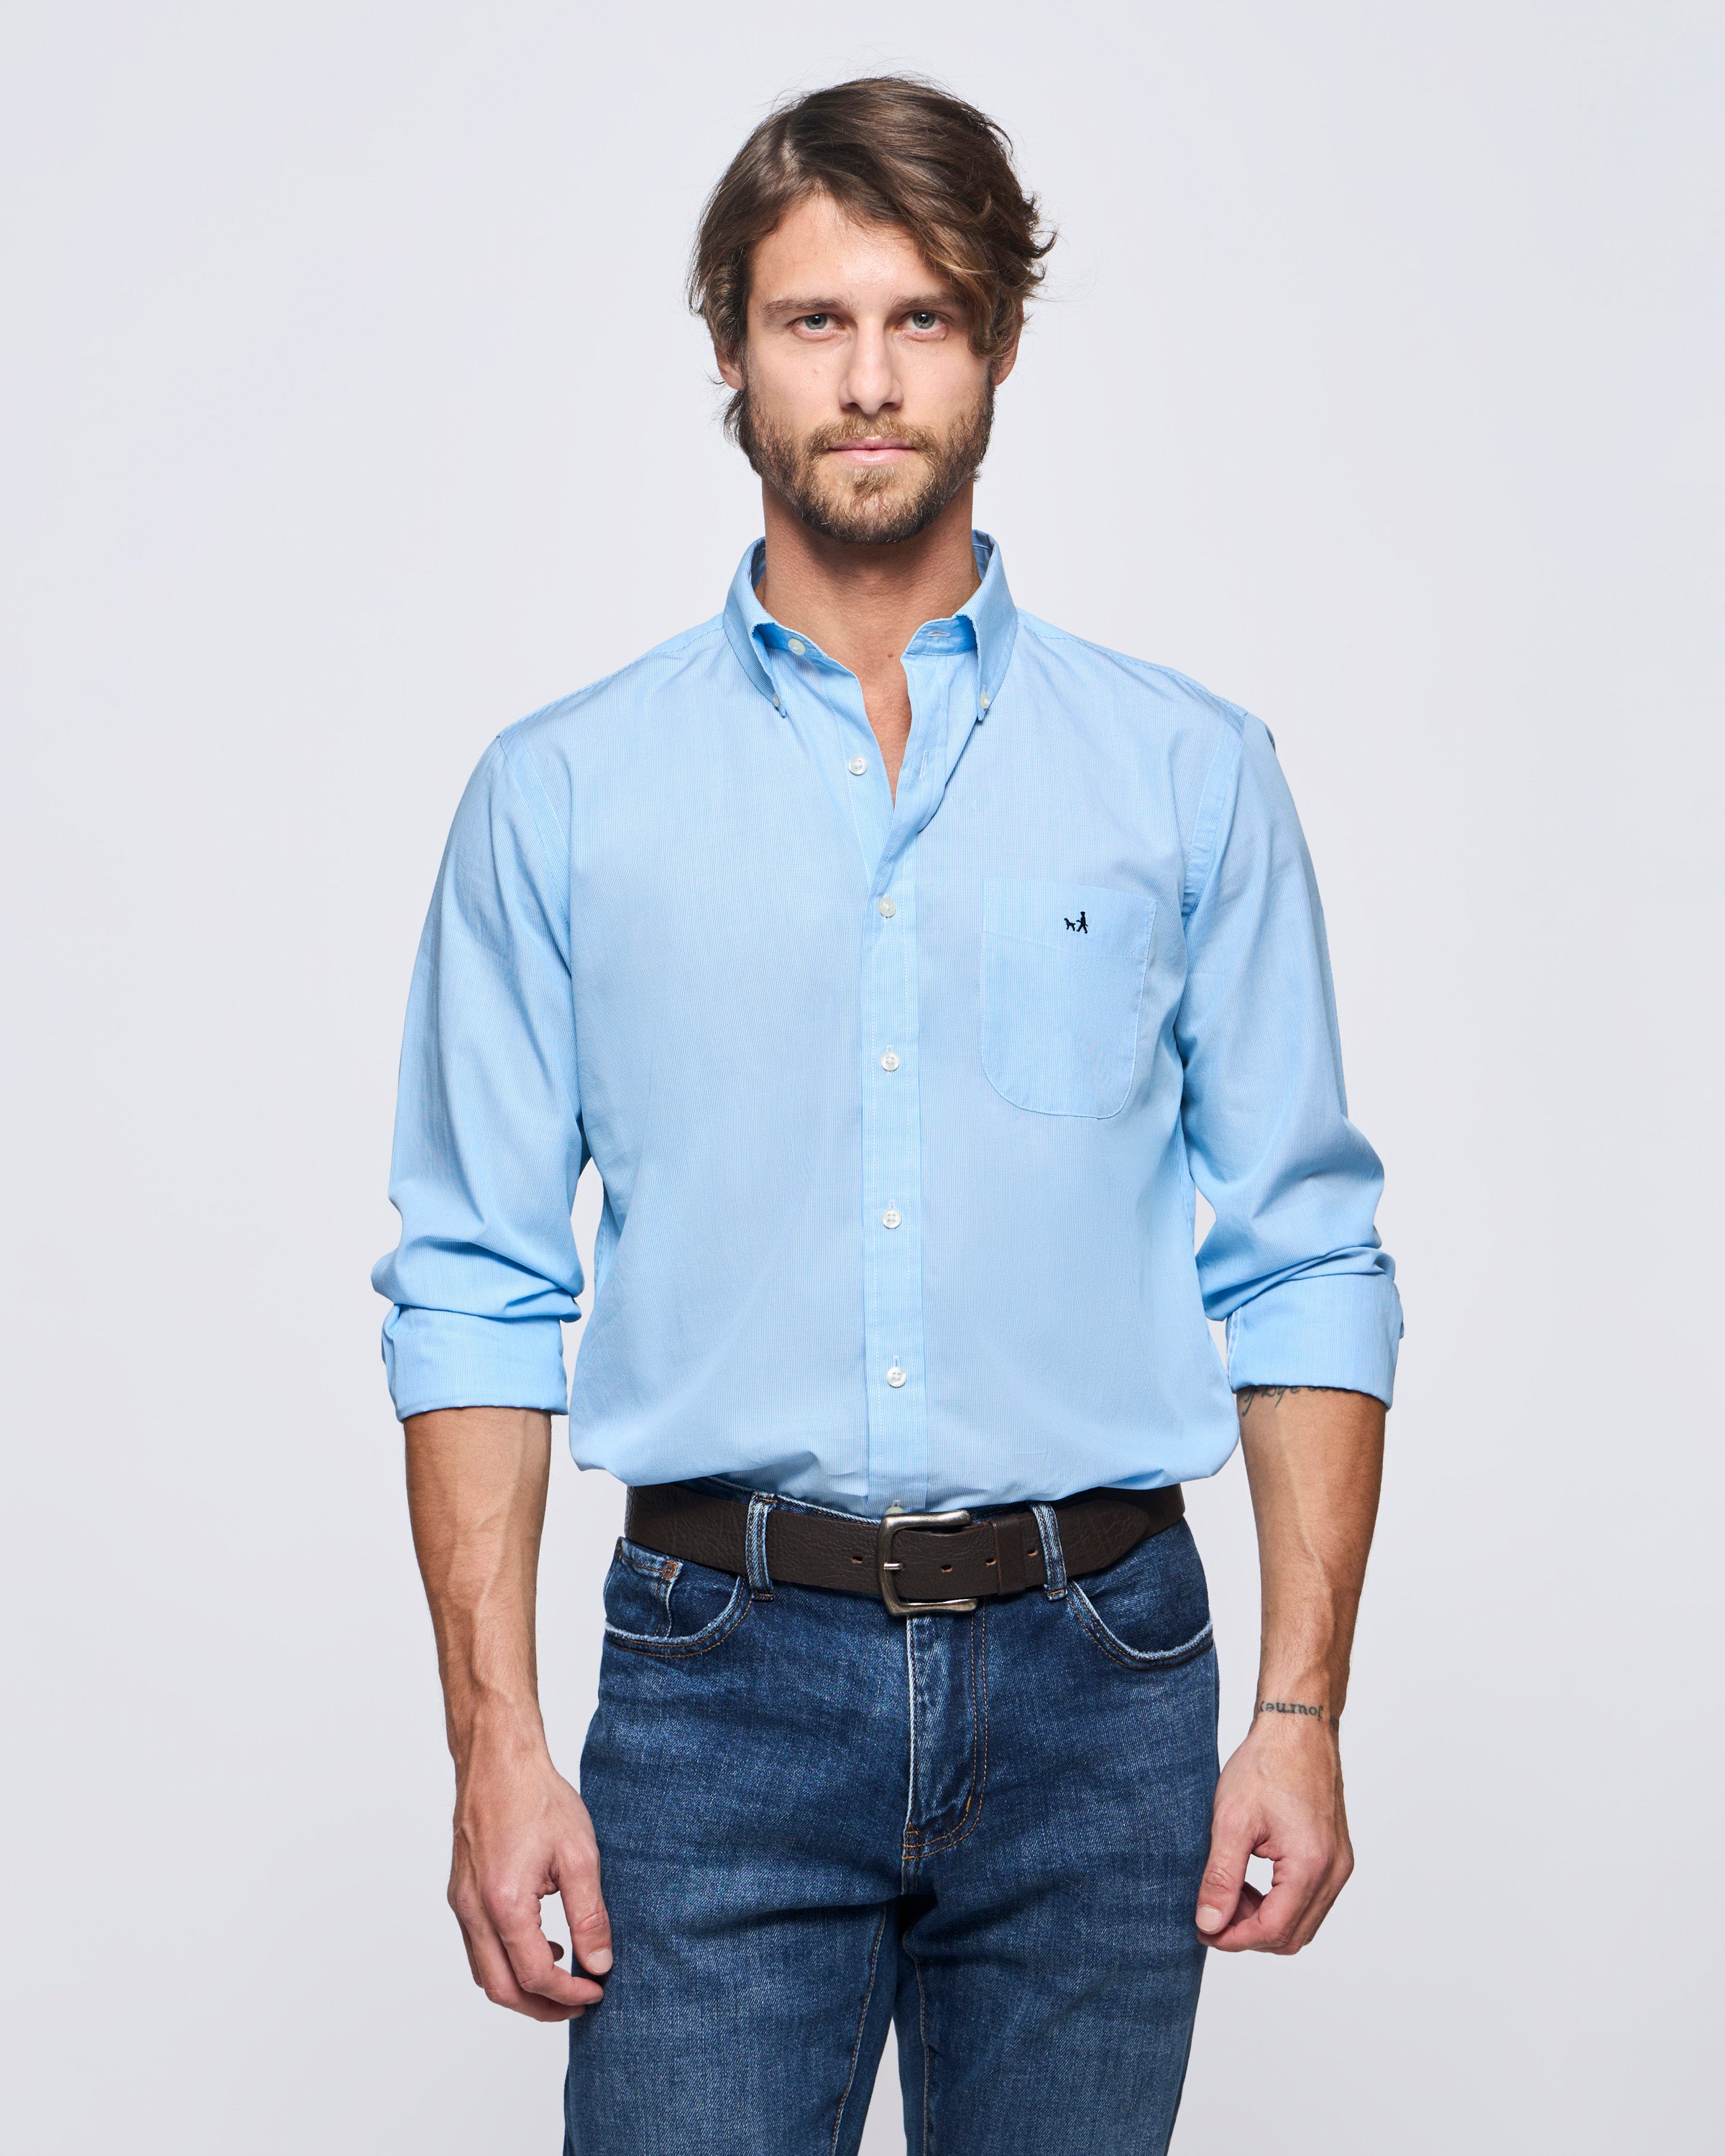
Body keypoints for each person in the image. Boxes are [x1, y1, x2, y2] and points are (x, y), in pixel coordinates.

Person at [373, 75, 1402, 2156]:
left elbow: (1302, 1251)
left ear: (999, 341)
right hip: (718, 1684)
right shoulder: (562, 796)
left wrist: (1302, 1710)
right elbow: (475, 1285)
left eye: (921, 318)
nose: (866, 381)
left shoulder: (1187, 774)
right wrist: (494, 1741)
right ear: (732, 352)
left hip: (1105, 1677)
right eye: (813, 321)